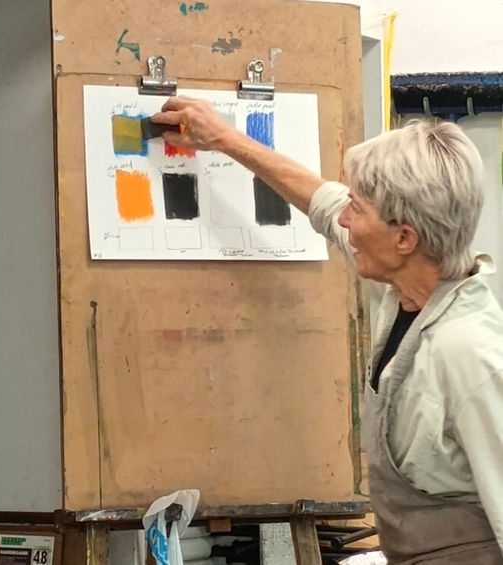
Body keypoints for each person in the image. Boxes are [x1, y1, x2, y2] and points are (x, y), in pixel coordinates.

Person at [152, 96, 503, 564]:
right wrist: (223, 138)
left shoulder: (470, 355)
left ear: (404, 238)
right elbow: (321, 200)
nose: (344, 219)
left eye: (357, 208)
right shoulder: (407, 285)